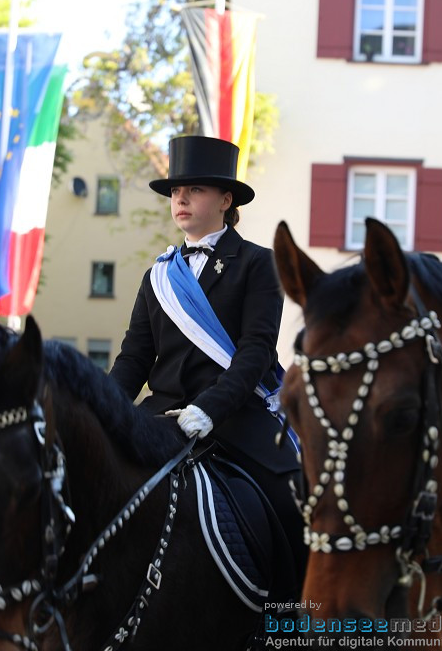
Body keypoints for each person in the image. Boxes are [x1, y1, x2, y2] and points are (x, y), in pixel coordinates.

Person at [109, 135, 305, 600]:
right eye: (177, 191)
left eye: (194, 190)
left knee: (292, 501)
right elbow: (135, 356)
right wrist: (103, 407)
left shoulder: (259, 264)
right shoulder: (158, 274)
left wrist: (209, 409)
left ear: (225, 199)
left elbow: (255, 352)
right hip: (162, 416)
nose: (181, 199)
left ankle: (293, 620)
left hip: (235, 415)